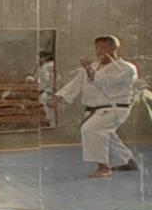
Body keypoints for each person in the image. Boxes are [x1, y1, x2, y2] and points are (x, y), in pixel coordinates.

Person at [51, 35, 141, 177]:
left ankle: (103, 167)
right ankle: (126, 160)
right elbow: (76, 83)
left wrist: (90, 71)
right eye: (97, 47)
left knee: (91, 129)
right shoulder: (92, 67)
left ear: (115, 48)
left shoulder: (126, 68)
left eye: (104, 47)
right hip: (95, 109)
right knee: (106, 134)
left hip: (115, 107)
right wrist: (59, 97)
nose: (99, 51)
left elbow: (107, 81)